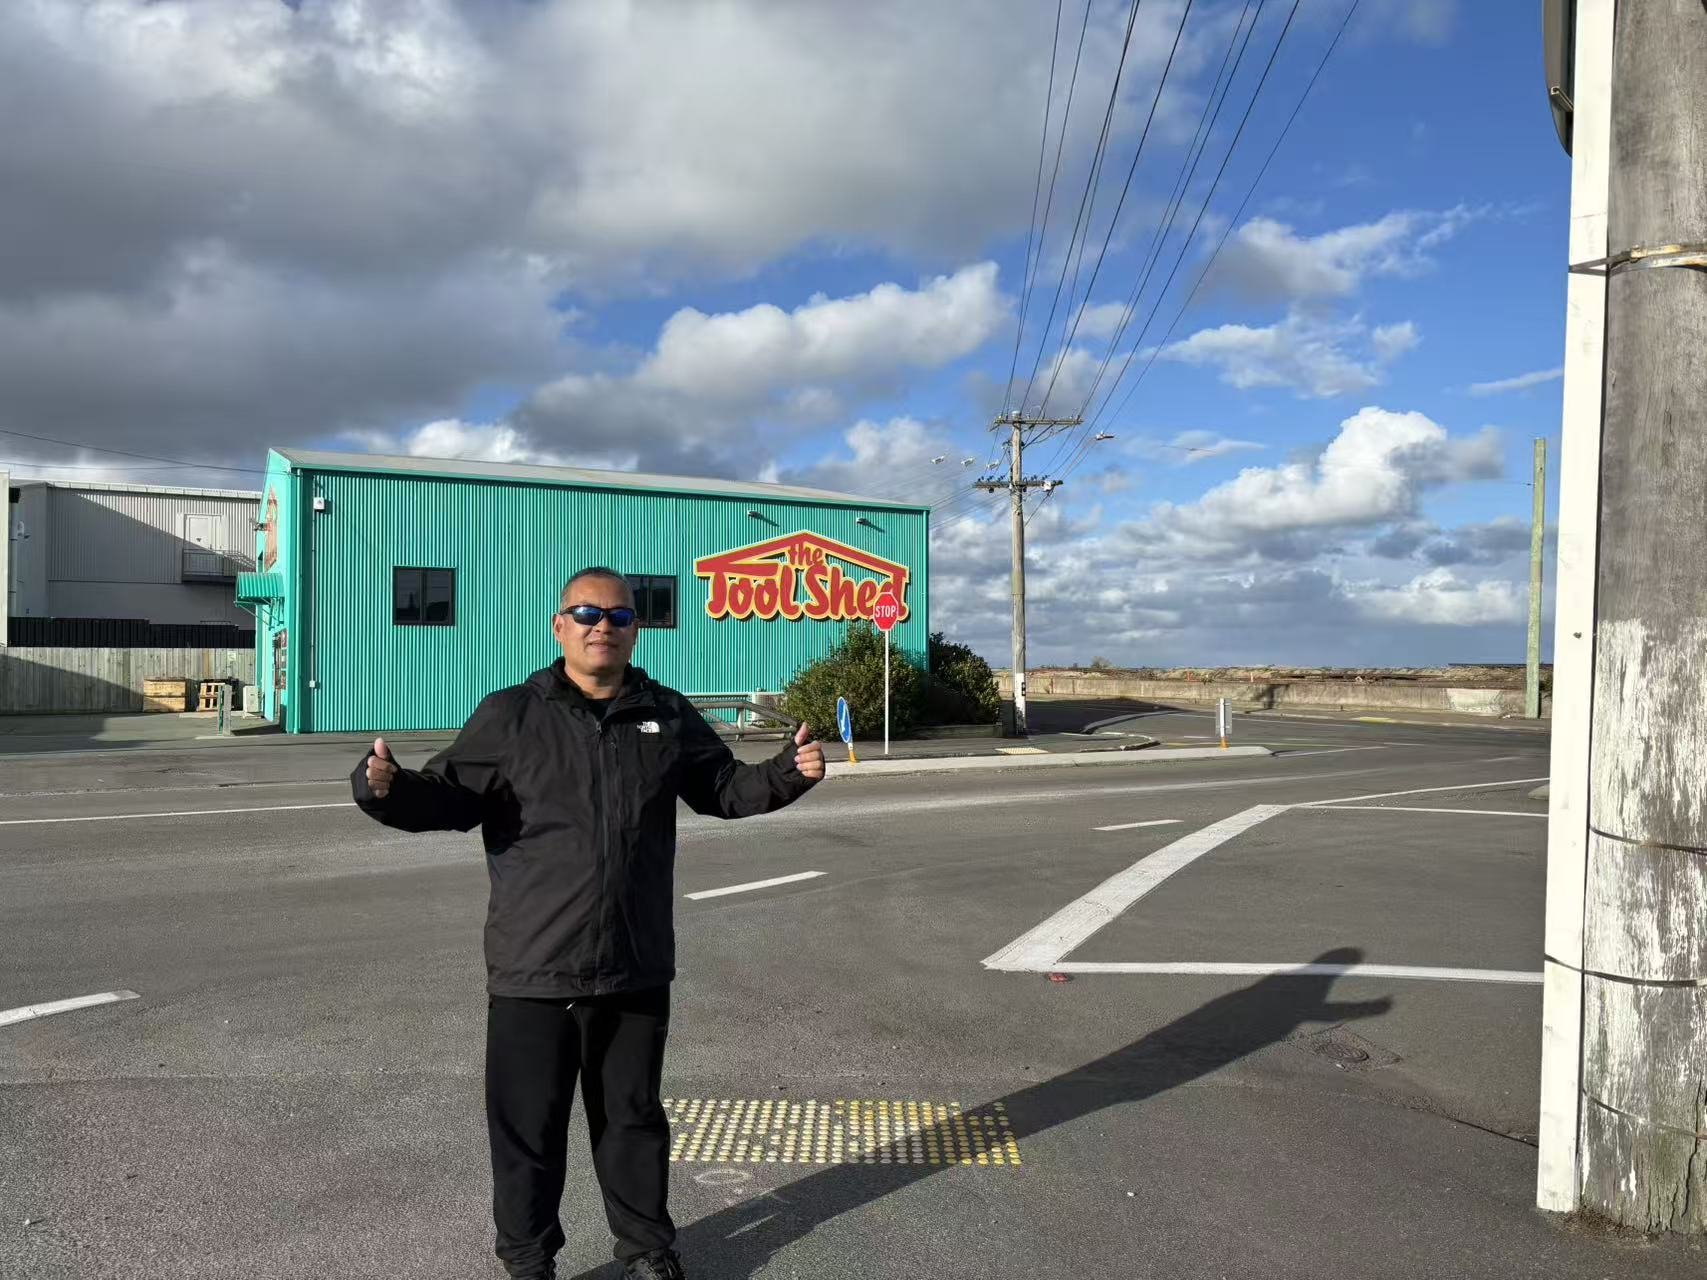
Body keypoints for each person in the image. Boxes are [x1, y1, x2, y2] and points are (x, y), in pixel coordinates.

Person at [351, 566, 825, 1280]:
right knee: (528, 1134)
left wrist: (789, 771)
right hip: (533, 966)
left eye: (619, 616)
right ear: (559, 626)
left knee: (632, 1123)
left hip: (633, 963)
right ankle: (529, 1262)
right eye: (586, 613)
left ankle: (646, 1252)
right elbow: (447, 797)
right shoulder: (513, 715)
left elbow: (722, 788)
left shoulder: (664, 714)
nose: (602, 626)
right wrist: (383, 790)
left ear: (636, 630)